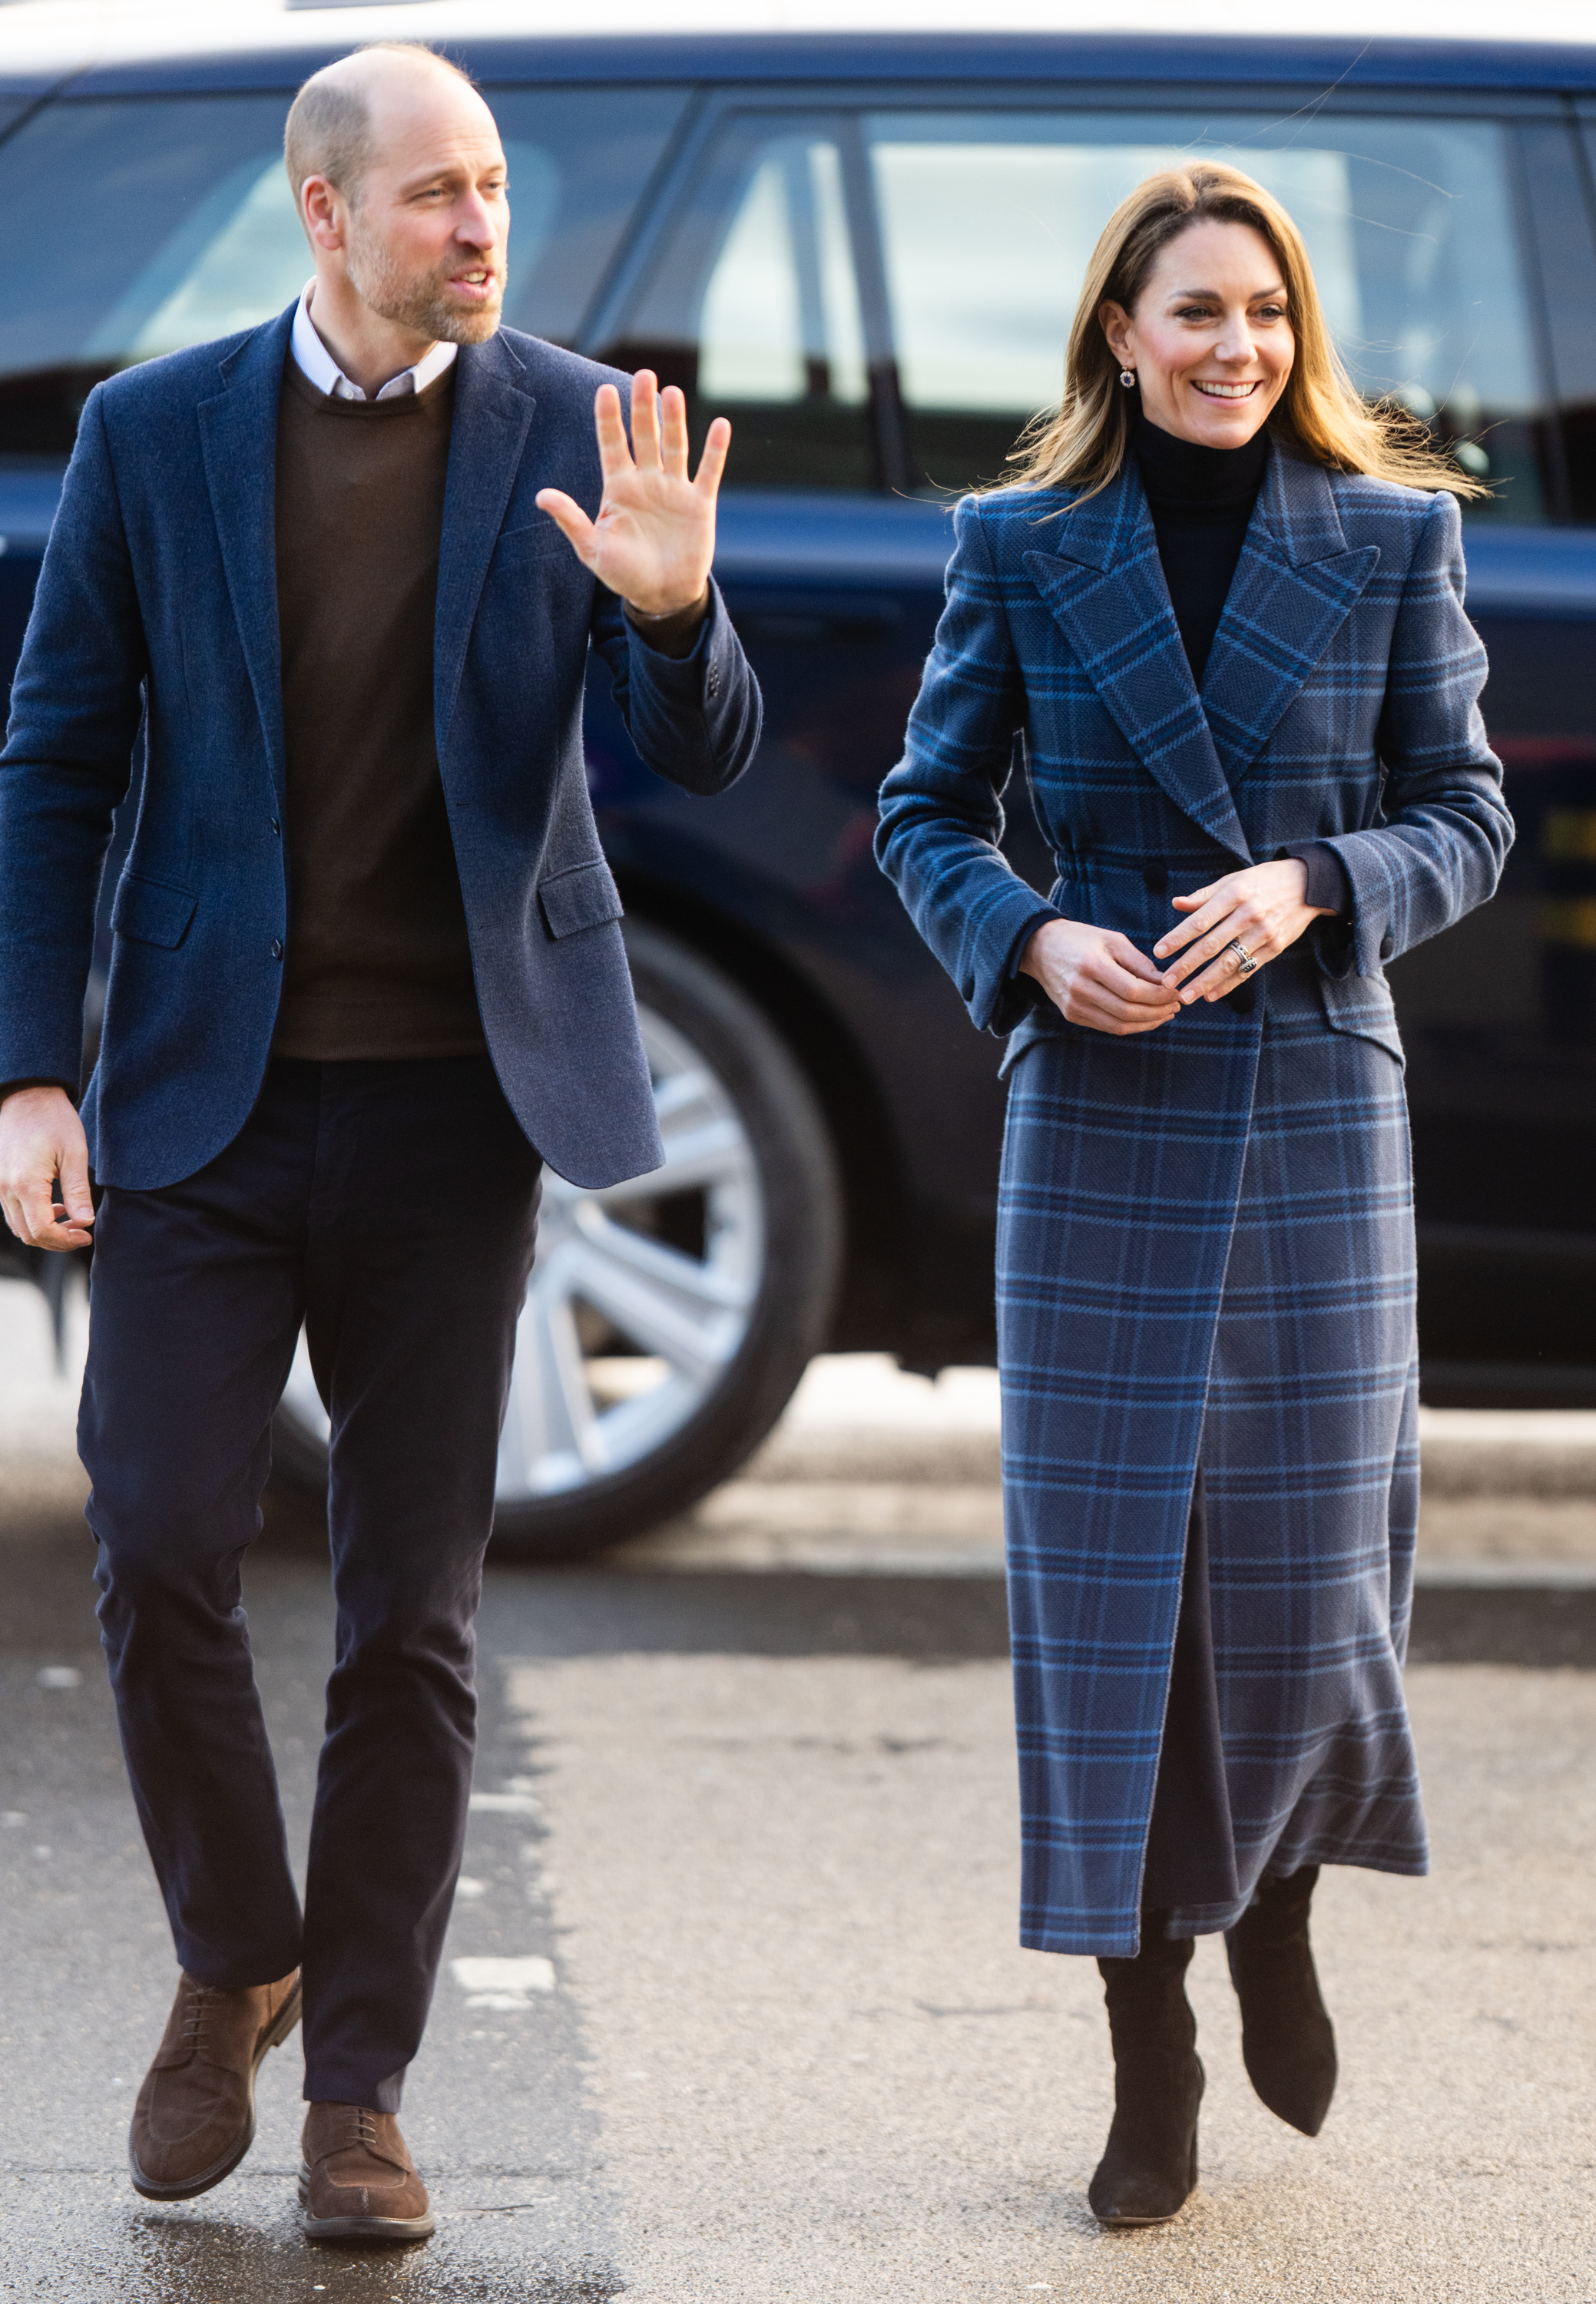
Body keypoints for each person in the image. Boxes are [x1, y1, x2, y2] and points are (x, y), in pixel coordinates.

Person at [0, 41, 759, 2246]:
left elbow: (693, 757)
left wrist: (671, 609)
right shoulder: (151, 433)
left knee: (408, 1615)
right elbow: (51, 762)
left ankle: (359, 2087)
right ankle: (239, 1946)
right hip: (204, 1106)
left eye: (496, 185)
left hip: (456, 1112)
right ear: (322, 211)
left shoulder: (569, 423)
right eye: (436, 194)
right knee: (151, 1541)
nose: (482, 226)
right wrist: (28, 1070)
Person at [876, 161, 1511, 2227]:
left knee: (1312, 1580)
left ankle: (1282, 1908)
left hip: (1321, 1110)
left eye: (1264, 312)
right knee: (1116, 1605)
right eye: (1193, 314)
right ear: (1121, 342)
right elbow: (925, 811)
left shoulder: (1396, 537)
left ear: (1294, 334)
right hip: (1105, 1120)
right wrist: (1031, 939)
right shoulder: (1026, 545)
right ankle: (1145, 2041)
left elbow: (1471, 812)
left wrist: (1323, 882)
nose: (1233, 345)